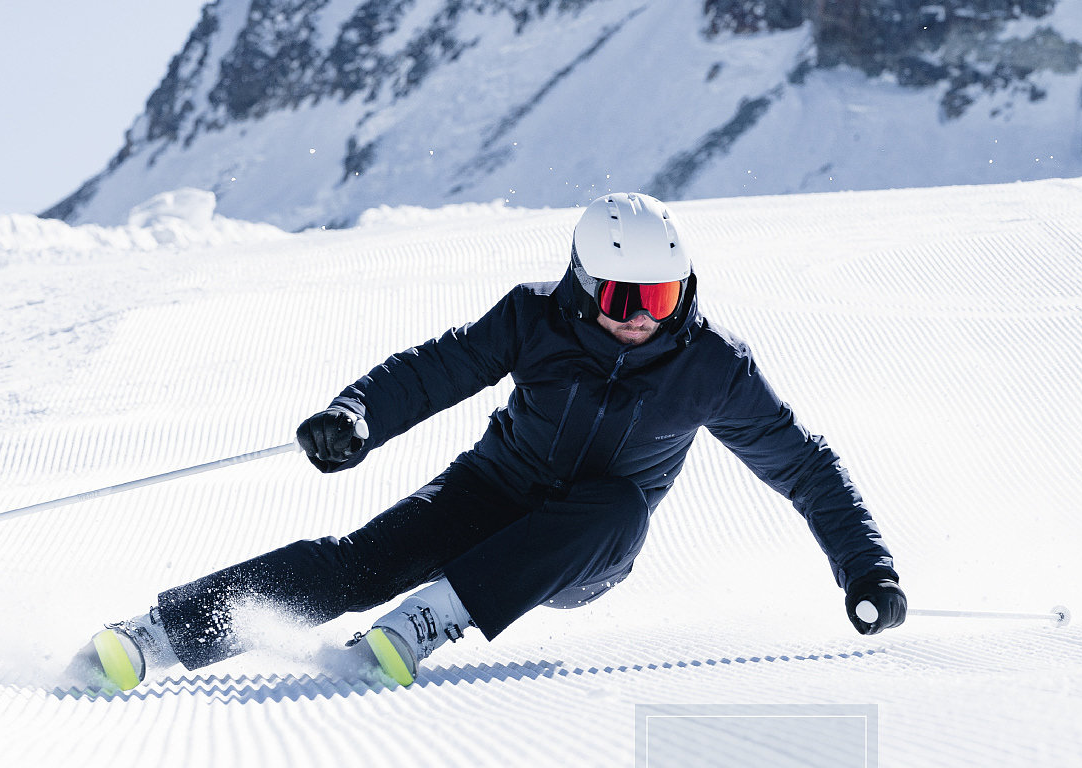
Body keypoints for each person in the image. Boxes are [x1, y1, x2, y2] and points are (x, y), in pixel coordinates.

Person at [66, 192, 906, 692]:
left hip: (585, 546)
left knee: (619, 504)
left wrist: (867, 570)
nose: (641, 315)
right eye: (621, 294)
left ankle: (435, 619)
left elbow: (805, 468)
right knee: (354, 561)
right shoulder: (532, 318)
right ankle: (157, 635)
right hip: (489, 491)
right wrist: (357, 416)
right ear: (582, 282)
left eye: (659, 293)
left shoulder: (712, 368)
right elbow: (438, 369)